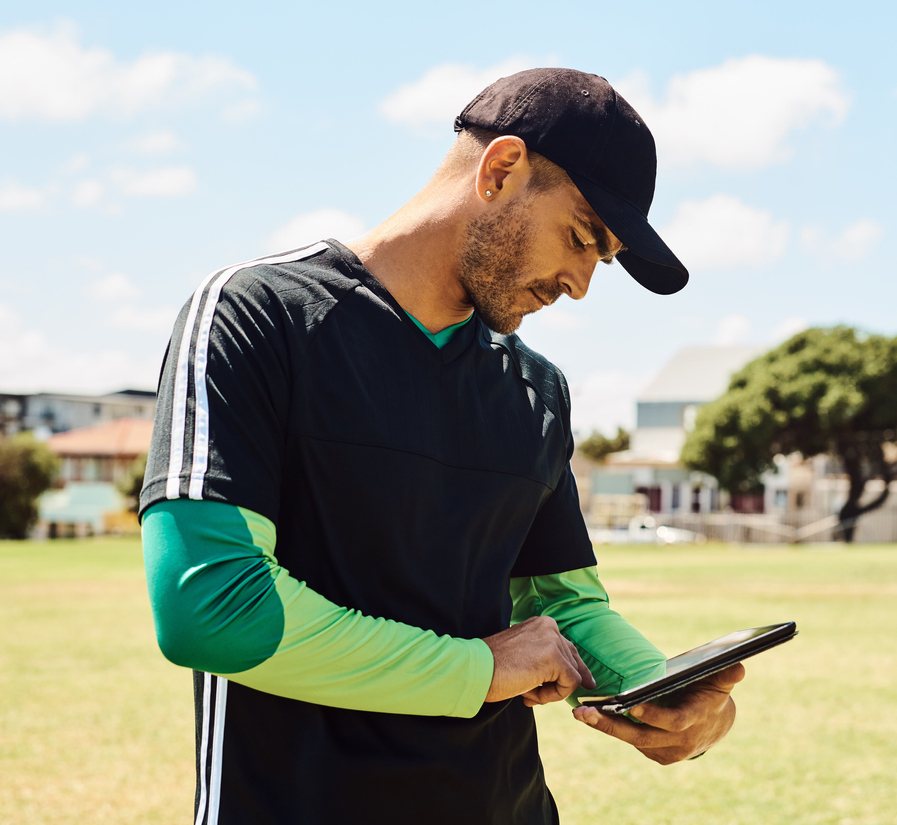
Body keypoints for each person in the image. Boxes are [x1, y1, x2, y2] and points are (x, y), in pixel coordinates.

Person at [138, 68, 743, 825]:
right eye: (582, 237)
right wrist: (479, 668)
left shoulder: (536, 390)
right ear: (500, 170)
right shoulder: (256, 317)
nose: (581, 283)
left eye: (603, 258)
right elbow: (213, 608)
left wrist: (668, 696)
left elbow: (565, 609)